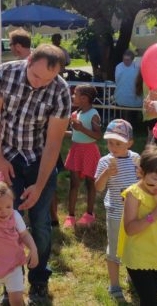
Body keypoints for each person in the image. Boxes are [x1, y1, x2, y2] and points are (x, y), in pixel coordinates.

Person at [0, 44, 71, 303]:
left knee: (41, 224)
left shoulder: (61, 91)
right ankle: (12, 285)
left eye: (48, 80)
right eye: (36, 76)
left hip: (39, 160)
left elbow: (54, 144)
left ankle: (39, 282)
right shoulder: (5, 73)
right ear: (29, 60)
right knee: (7, 223)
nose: (40, 84)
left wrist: (40, 185)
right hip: (8, 157)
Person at [118, 144, 157, 306]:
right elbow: (130, 228)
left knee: (150, 299)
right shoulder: (134, 195)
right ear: (141, 172)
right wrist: (152, 216)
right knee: (151, 302)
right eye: (154, 180)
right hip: (138, 258)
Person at [0, 173, 39, 306]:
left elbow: (25, 234)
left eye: (8, 206)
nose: (4, 212)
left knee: (16, 300)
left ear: (13, 203)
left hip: (13, 265)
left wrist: (33, 249)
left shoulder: (15, 216)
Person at [94, 119, 140, 302]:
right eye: (110, 142)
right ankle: (114, 284)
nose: (113, 147)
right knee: (114, 250)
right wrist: (106, 174)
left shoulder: (136, 159)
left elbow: (142, 183)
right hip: (115, 213)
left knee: (133, 247)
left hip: (135, 214)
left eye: (118, 143)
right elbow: (98, 187)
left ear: (129, 143)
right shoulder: (104, 161)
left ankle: (132, 277)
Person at [63, 84, 101, 228]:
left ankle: (89, 214)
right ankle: (71, 215)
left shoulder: (93, 114)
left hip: (89, 151)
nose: (73, 97)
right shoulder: (77, 113)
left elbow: (98, 135)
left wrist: (82, 128)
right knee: (74, 183)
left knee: (90, 184)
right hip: (76, 150)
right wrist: (60, 133)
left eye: (75, 94)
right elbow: (76, 134)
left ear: (84, 98)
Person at [114, 50, 143, 125]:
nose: (125, 62)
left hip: (134, 96)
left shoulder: (138, 67)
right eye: (124, 59)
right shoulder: (119, 66)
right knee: (124, 115)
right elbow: (117, 81)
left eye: (128, 60)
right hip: (122, 96)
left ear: (132, 59)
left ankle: (132, 128)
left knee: (132, 115)